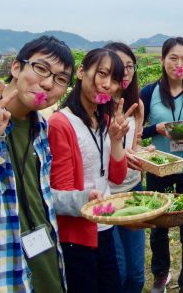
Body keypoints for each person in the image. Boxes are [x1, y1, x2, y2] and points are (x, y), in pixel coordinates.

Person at [0, 36, 74, 292]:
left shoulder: (40, 126)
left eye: (61, 79)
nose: (48, 83)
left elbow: (37, 195)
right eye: (42, 68)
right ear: (16, 67)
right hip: (0, 275)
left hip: (47, 268)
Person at [48, 48, 135, 293]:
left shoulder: (105, 121)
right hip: (76, 236)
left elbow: (116, 177)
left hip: (105, 224)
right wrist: (90, 199)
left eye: (115, 80)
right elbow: (63, 192)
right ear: (81, 72)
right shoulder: (60, 124)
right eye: (102, 74)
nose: (107, 85)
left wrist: (117, 140)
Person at [140, 37, 183, 293]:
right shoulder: (149, 93)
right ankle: (160, 274)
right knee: (159, 223)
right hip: (159, 166)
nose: (179, 64)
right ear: (162, 60)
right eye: (173, 58)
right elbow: (136, 131)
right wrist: (156, 129)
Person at [104, 42, 146, 293]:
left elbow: (135, 144)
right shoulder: (96, 108)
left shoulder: (136, 105)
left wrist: (142, 154)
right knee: (117, 270)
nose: (125, 72)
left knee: (136, 274)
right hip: (107, 194)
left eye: (129, 66)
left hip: (134, 189)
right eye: (119, 66)